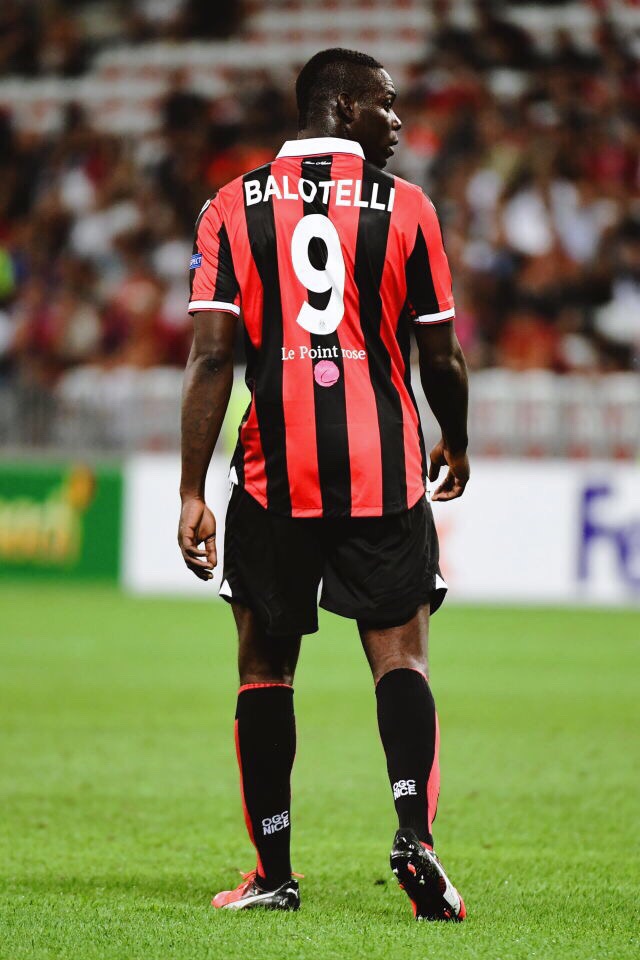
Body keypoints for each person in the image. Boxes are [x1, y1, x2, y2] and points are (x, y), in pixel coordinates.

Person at [178, 48, 470, 921]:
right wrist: (456, 439)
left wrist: (191, 490)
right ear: (342, 106)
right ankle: (415, 835)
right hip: (384, 468)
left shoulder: (230, 206)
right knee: (401, 656)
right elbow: (441, 355)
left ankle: (273, 873)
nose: (399, 121)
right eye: (386, 103)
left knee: (264, 669)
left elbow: (211, 358)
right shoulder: (408, 207)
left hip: (274, 473)